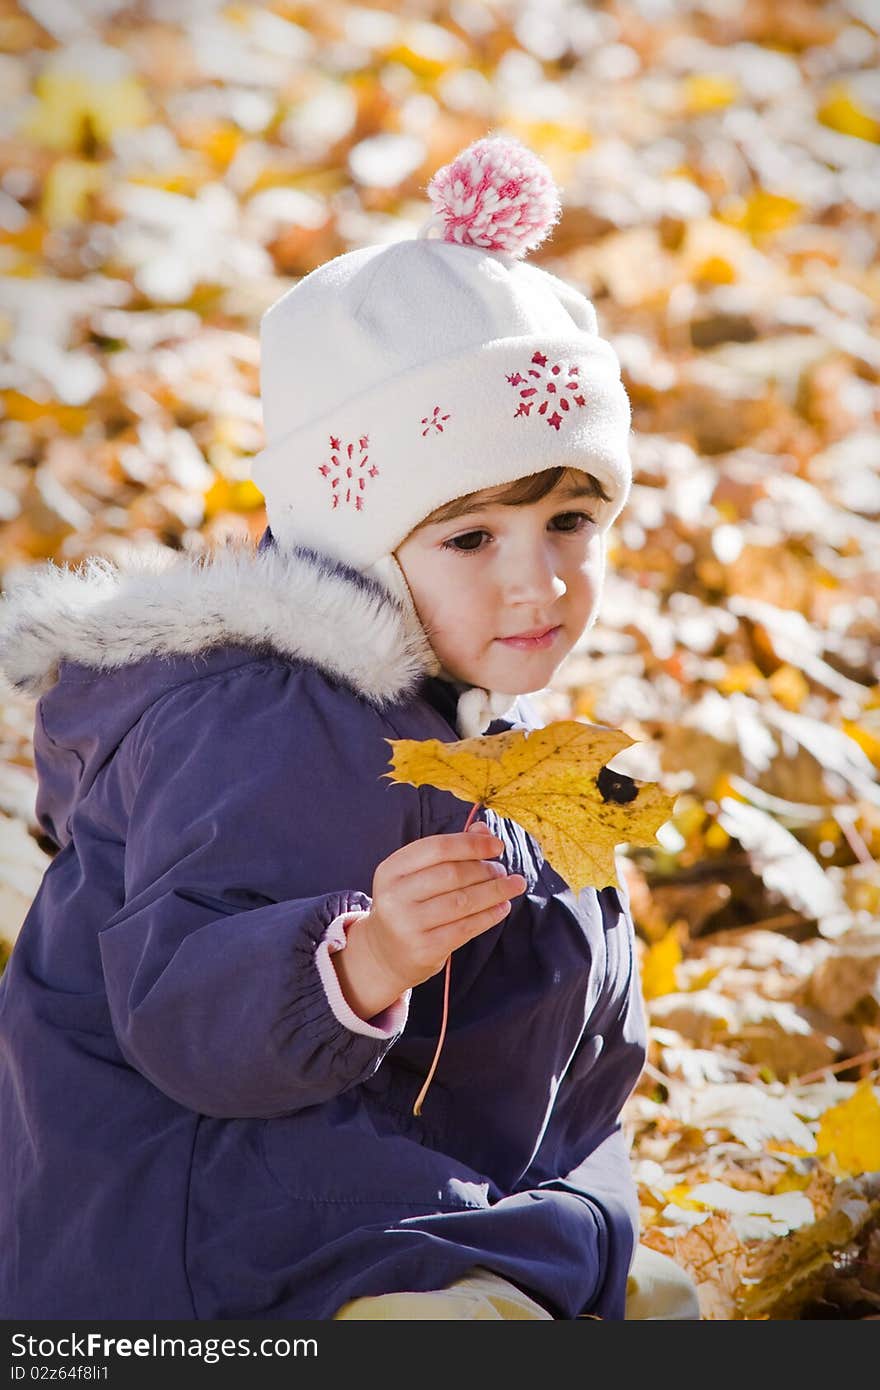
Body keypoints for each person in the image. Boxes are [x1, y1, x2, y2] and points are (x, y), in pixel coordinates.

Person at [0, 135, 699, 1321]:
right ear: (358, 542)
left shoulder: (491, 728)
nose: (538, 584)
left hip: (407, 1188)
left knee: (648, 1299)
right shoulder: (253, 723)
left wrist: (579, 1207)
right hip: (196, 1229)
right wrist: (360, 960)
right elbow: (175, 1012)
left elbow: (572, 1057)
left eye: (571, 519)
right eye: (471, 537)